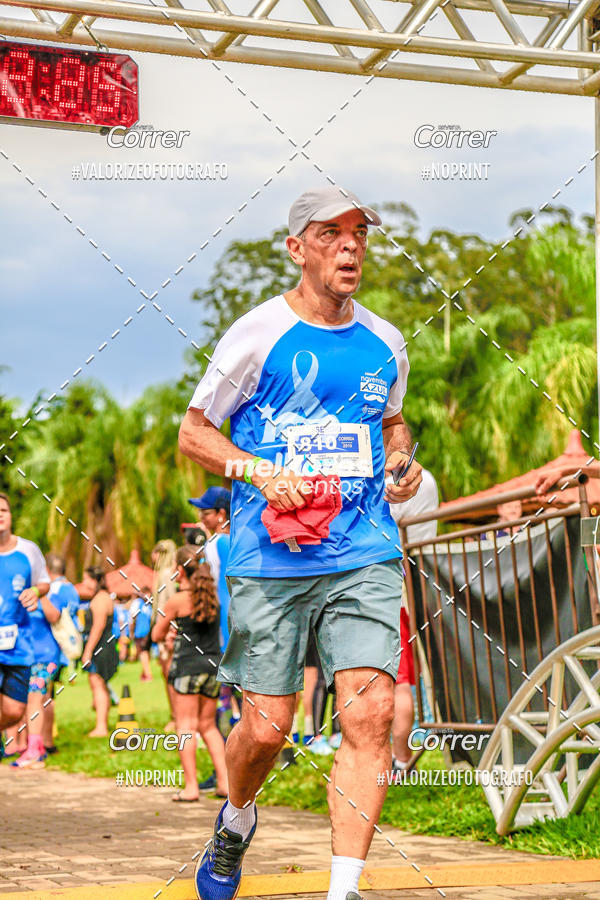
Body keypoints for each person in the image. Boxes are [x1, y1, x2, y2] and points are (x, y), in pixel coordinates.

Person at [179, 186, 422, 900]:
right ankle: (236, 818)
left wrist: (401, 462)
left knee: (371, 714)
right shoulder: (256, 334)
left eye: (358, 235)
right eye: (330, 234)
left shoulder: (386, 341)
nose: (350, 247)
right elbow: (193, 432)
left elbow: (393, 426)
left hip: (364, 546)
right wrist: (257, 468)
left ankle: (342, 890)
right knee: (268, 727)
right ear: (296, 248)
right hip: (270, 554)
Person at [151, 545, 227, 801]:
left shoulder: (177, 600)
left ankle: (191, 787)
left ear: (181, 571)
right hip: (213, 667)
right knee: (209, 727)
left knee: (185, 727)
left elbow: (156, 634)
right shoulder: (211, 597)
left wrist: (171, 632)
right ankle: (224, 784)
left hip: (187, 668)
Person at [389, 469, 439, 771]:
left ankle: (401, 761)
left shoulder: (395, 482)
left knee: (400, 679)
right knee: (406, 676)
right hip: (421, 583)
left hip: (395, 588)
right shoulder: (428, 479)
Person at [0, 493, 50, 759]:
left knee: (14, 711)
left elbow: (44, 582)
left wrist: (35, 591)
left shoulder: (28, 549)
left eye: (3, 510)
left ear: (10, 515)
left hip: (18, 643)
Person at [42, 552, 80, 754]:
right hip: (63, 650)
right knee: (48, 697)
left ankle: (44, 741)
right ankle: (47, 739)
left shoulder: (54, 589)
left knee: (42, 696)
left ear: (47, 570)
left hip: (50, 648)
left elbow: (52, 616)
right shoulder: (71, 588)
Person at [81, 567, 118, 737]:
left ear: (94, 580)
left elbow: (98, 626)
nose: (84, 583)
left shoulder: (100, 599)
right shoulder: (102, 597)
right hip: (103, 646)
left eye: (86, 579)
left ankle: (101, 727)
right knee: (98, 684)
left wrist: (87, 651)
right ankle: (101, 724)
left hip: (101, 647)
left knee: (98, 685)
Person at [129, 587, 153, 681]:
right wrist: (131, 632)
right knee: (142, 652)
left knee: (144, 653)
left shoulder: (150, 605)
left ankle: (147, 674)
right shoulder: (137, 603)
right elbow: (132, 618)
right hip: (139, 631)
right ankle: (145, 673)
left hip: (148, 632)